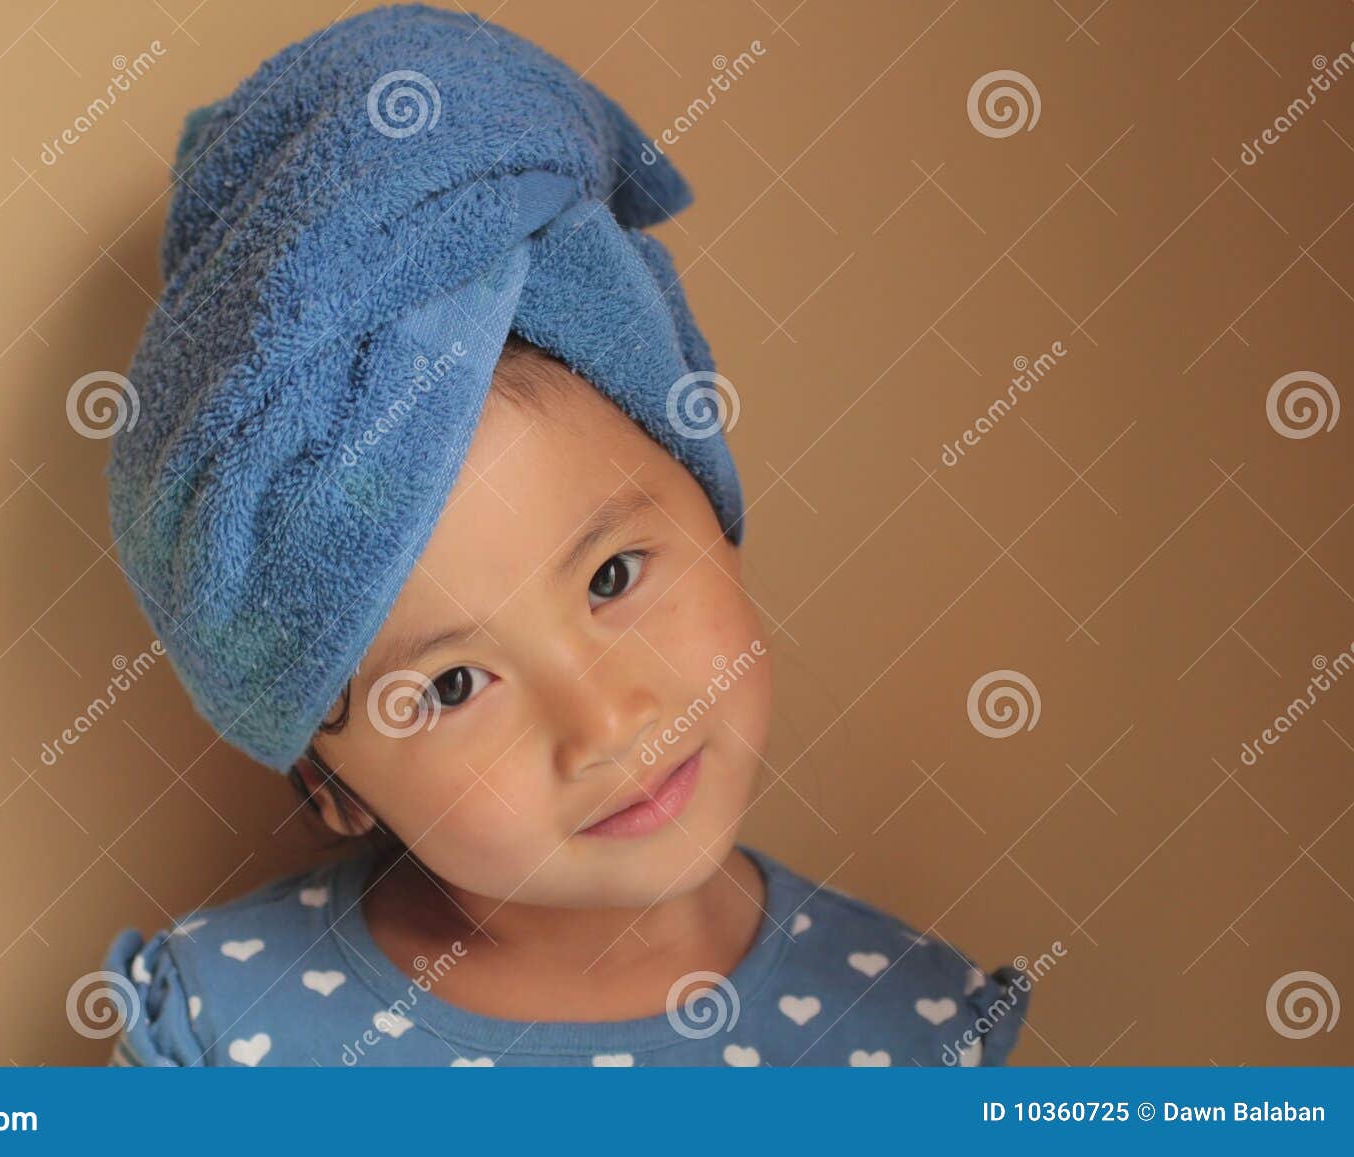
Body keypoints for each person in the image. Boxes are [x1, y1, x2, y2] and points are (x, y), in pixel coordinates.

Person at [97, 3, 1029, 1068]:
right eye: (453, 684)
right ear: (331, 783)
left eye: (614, 575)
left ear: (709, 498)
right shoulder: (224, 1031)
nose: (604, 723)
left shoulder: (914, 1029)